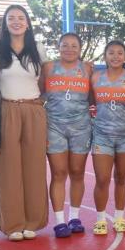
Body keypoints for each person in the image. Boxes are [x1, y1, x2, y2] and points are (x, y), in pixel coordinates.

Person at [0, 5, 49, 241]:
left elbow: (47, 78)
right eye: (11, 18)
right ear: (5, 23)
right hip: (6, 110)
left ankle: (32, 221)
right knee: (8, 167)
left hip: (33, 109)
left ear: (27, 23)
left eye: (20, 18)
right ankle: (12, 223)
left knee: (34, 165)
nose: (16, 21)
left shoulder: (38, 48)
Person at [42, 32, 93, 238]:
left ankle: (75, 217)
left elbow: (94, 97)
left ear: (80, 49)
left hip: (81, 126)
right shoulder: (48, 67)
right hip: (54, 126)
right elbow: (38, 93)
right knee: (58, 173)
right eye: (65, 45)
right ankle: (60, 221)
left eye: (73, 45)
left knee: (77, 172)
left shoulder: (88, 68)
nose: (69, 49)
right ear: (58, 47)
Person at [90, 40, 125, 235]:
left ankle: (119, 217)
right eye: (111, 53)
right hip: (102, 134)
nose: (115, 56)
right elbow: (87, 101)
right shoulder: (95, 78)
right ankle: (100, 219)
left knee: (121, 177)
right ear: (105, 56)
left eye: (120, 53)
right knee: (102, 179)